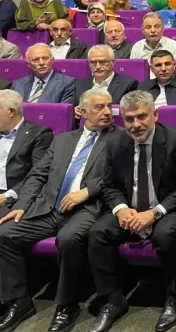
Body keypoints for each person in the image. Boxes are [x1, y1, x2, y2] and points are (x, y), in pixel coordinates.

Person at [0, 88, 119, 332]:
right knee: (5, 234)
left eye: (109, 106)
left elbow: (121, 174)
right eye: (99, 107)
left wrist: (87, 190)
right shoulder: (63, 139)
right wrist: (21, 206)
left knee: (68, 239)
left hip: (87, 208)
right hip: (49, 207)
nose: (107, 112)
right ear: (82, 112)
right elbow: (38, 174)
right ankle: (19, 300)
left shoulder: (120, 139)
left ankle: (67, 304)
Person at [88, 90, 176, 332]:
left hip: (166, 208)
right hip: (129, 209)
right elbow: (108, 185)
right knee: (98, 233)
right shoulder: (115, 142)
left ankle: (174, 297)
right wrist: (121, 209)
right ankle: (113, 300)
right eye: (129, 119)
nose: (136, 124)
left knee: (167, 235)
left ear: (155, 115)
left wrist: (154, 213)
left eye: (141, 117)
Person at [0, 89, 54, 218]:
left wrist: (8, 195)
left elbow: (38, 173)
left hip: (13, 196)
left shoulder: (39, 134)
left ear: (11, 112)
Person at [74, 44, 139, 109]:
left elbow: (130, 110)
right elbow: (73, 107)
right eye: (93, 62)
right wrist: (75, 110)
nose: (98, 67)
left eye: (103, 62)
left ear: (113, 63)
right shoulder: (80, 85)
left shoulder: (128, 84)